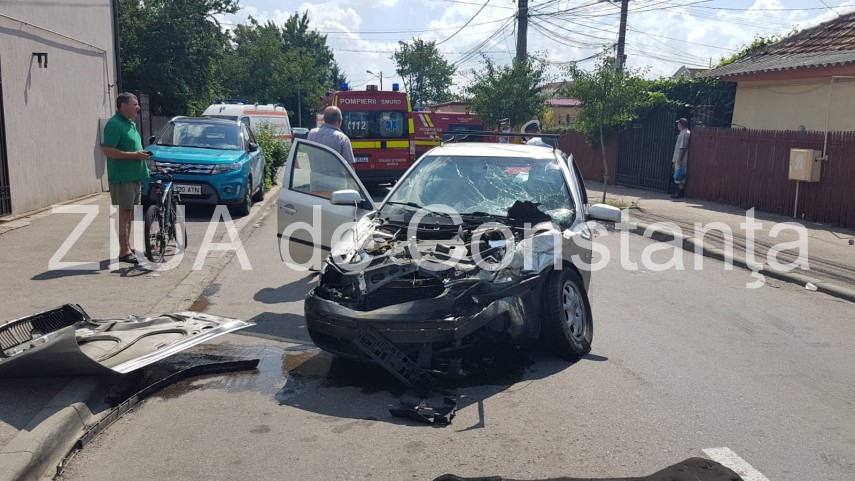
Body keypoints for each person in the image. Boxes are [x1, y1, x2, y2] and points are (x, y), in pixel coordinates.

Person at [101, 92, 150, 264]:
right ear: (123, 106)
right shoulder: (114, 124)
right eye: (134, 104)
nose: (138, 107)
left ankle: (127, 247)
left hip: (134, 176)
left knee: (130, 214)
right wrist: (135, 155)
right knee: (123, 214)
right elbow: (108, 150)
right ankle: (123, 251)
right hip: (122, 178)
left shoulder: (130, 123)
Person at [671, 118, 691, 199]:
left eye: (678, 124)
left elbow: (683, 147)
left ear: (681, 124)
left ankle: (680, 193)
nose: (677, 125)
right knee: (679, 175)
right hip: (681, 158)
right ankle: (679, 192)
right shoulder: (684, 133)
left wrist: (679, 159)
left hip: (682, 159)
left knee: (680, 176)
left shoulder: (685, 134)